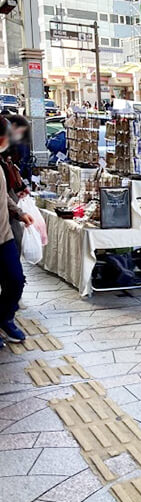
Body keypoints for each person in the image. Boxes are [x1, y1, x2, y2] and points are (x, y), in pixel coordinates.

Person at [0, 117, 34, 348]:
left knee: (16, 280)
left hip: (4, 236)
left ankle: (4, 317)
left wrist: (19, 212)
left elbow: (3, 196)